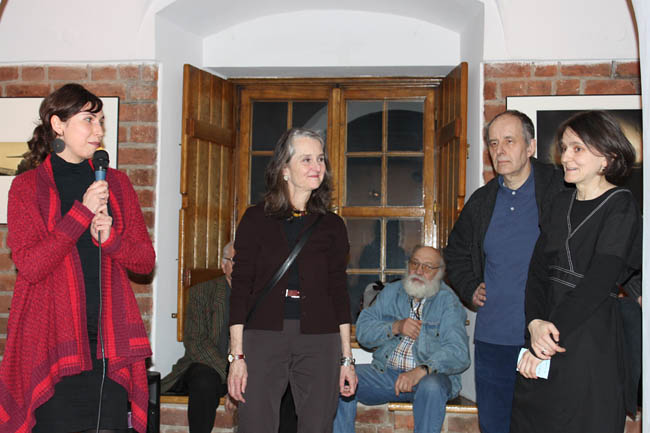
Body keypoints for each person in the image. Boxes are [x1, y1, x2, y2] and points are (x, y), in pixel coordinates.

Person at [0, 84, 155, 433]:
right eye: (88, 120)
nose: (98, 130)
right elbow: (32, 266)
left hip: (108, 346)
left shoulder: (117, 184)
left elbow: (145, 262)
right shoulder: (26, 188)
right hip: (51, 345)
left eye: (101, 121)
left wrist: (111, 240)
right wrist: (80, 214)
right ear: (58, 125)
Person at [511, 111, 641, 433]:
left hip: (588, 340)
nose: (565, 157)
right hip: (544, 333)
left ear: (607, 158)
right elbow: (537, 273)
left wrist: (546, 339)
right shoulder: (559, 203)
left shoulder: (621, 204)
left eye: (577, 148)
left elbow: (598, 282)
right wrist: (534, 323)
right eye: (564, 148)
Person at [227, 128, 357, 433]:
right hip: (263, 335)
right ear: (284, 169)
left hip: (320, 338)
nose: (317, 166)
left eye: (320, 159)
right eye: (306, 159)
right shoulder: (255, 219)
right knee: (255, 426)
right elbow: (240, 289)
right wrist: (237, 356)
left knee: (318, 426)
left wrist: (346, 359)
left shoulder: (332, 225)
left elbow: (339, 293)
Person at [443, 110, 565, 433]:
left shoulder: (559, 190)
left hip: (545, 339)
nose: (499, 150)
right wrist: (470, 286)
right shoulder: (482, 201)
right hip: (493, 340)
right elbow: (454, 252)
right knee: (495, 426)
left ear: (530, 146)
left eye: (509, 141)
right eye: (494, 143)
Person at [333, 246, 470, 433]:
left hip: (429, 379)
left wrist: (421, 370)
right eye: (415, 263)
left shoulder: (448, 302)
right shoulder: (392, 292)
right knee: (341, 378)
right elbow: (363, 331)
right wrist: (395, 327)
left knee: (431, 386)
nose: (419, 271)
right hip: (387, 373)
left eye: (427, 267)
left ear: (440, 272)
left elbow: (458, 352)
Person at [161, 241, 236, 433]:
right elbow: (195, 341)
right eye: (235, 261)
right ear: (224, 265)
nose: (241, 266)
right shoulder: (202, 292)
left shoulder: (258, 296)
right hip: (210, 366)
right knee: (204, 380)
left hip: (246, 369)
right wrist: (230, 374)